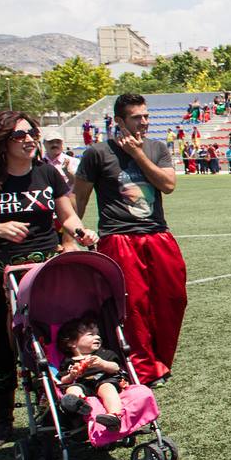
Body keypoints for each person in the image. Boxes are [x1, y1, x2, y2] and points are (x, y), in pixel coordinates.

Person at [0, 111, 97, 442]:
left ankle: (55, 403)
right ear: (2, 141)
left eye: (32, 133)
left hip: (43, 270)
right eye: (19, 135)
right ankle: (2, 417)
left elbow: (67, 215)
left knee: (46, 339)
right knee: (2, 349)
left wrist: (81, 232)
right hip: (3, 270)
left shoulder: (47, 173)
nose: (29, 139)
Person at [73, 94, 185, 388]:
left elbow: (168, 185)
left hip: (157, 234)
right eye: (137, 117)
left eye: (146, 116)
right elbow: (79, 199)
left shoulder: (156, 147)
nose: (144, 122)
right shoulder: (97, 153)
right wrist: (69, 238)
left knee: (173, 299)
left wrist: (138, 155)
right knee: (133, 306)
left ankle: (161, 362)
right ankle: (143, 370)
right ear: (119, 121)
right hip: (119, 237)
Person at [56, 315, 125, 430]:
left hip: (103, 380)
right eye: (91, 334)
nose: (97, 337)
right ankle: (80, 404)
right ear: (72, 343)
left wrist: (103, 364)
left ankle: (114, 416)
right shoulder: (69, 361)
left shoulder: (104, 353)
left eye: (98, 334)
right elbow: (63, 380)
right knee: (71, 389)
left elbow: (116, 367)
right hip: (82, 384)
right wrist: (71, 375)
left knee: (107, 388)